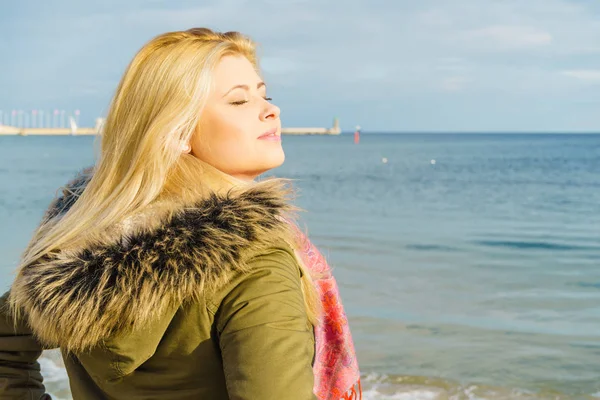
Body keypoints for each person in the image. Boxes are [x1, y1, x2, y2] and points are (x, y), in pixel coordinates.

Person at [0, 28, 360, 399]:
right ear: (177, 130)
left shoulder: (79, 242)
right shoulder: (255, 262)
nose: (272, 109)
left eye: (265, 94)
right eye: (239, 101)